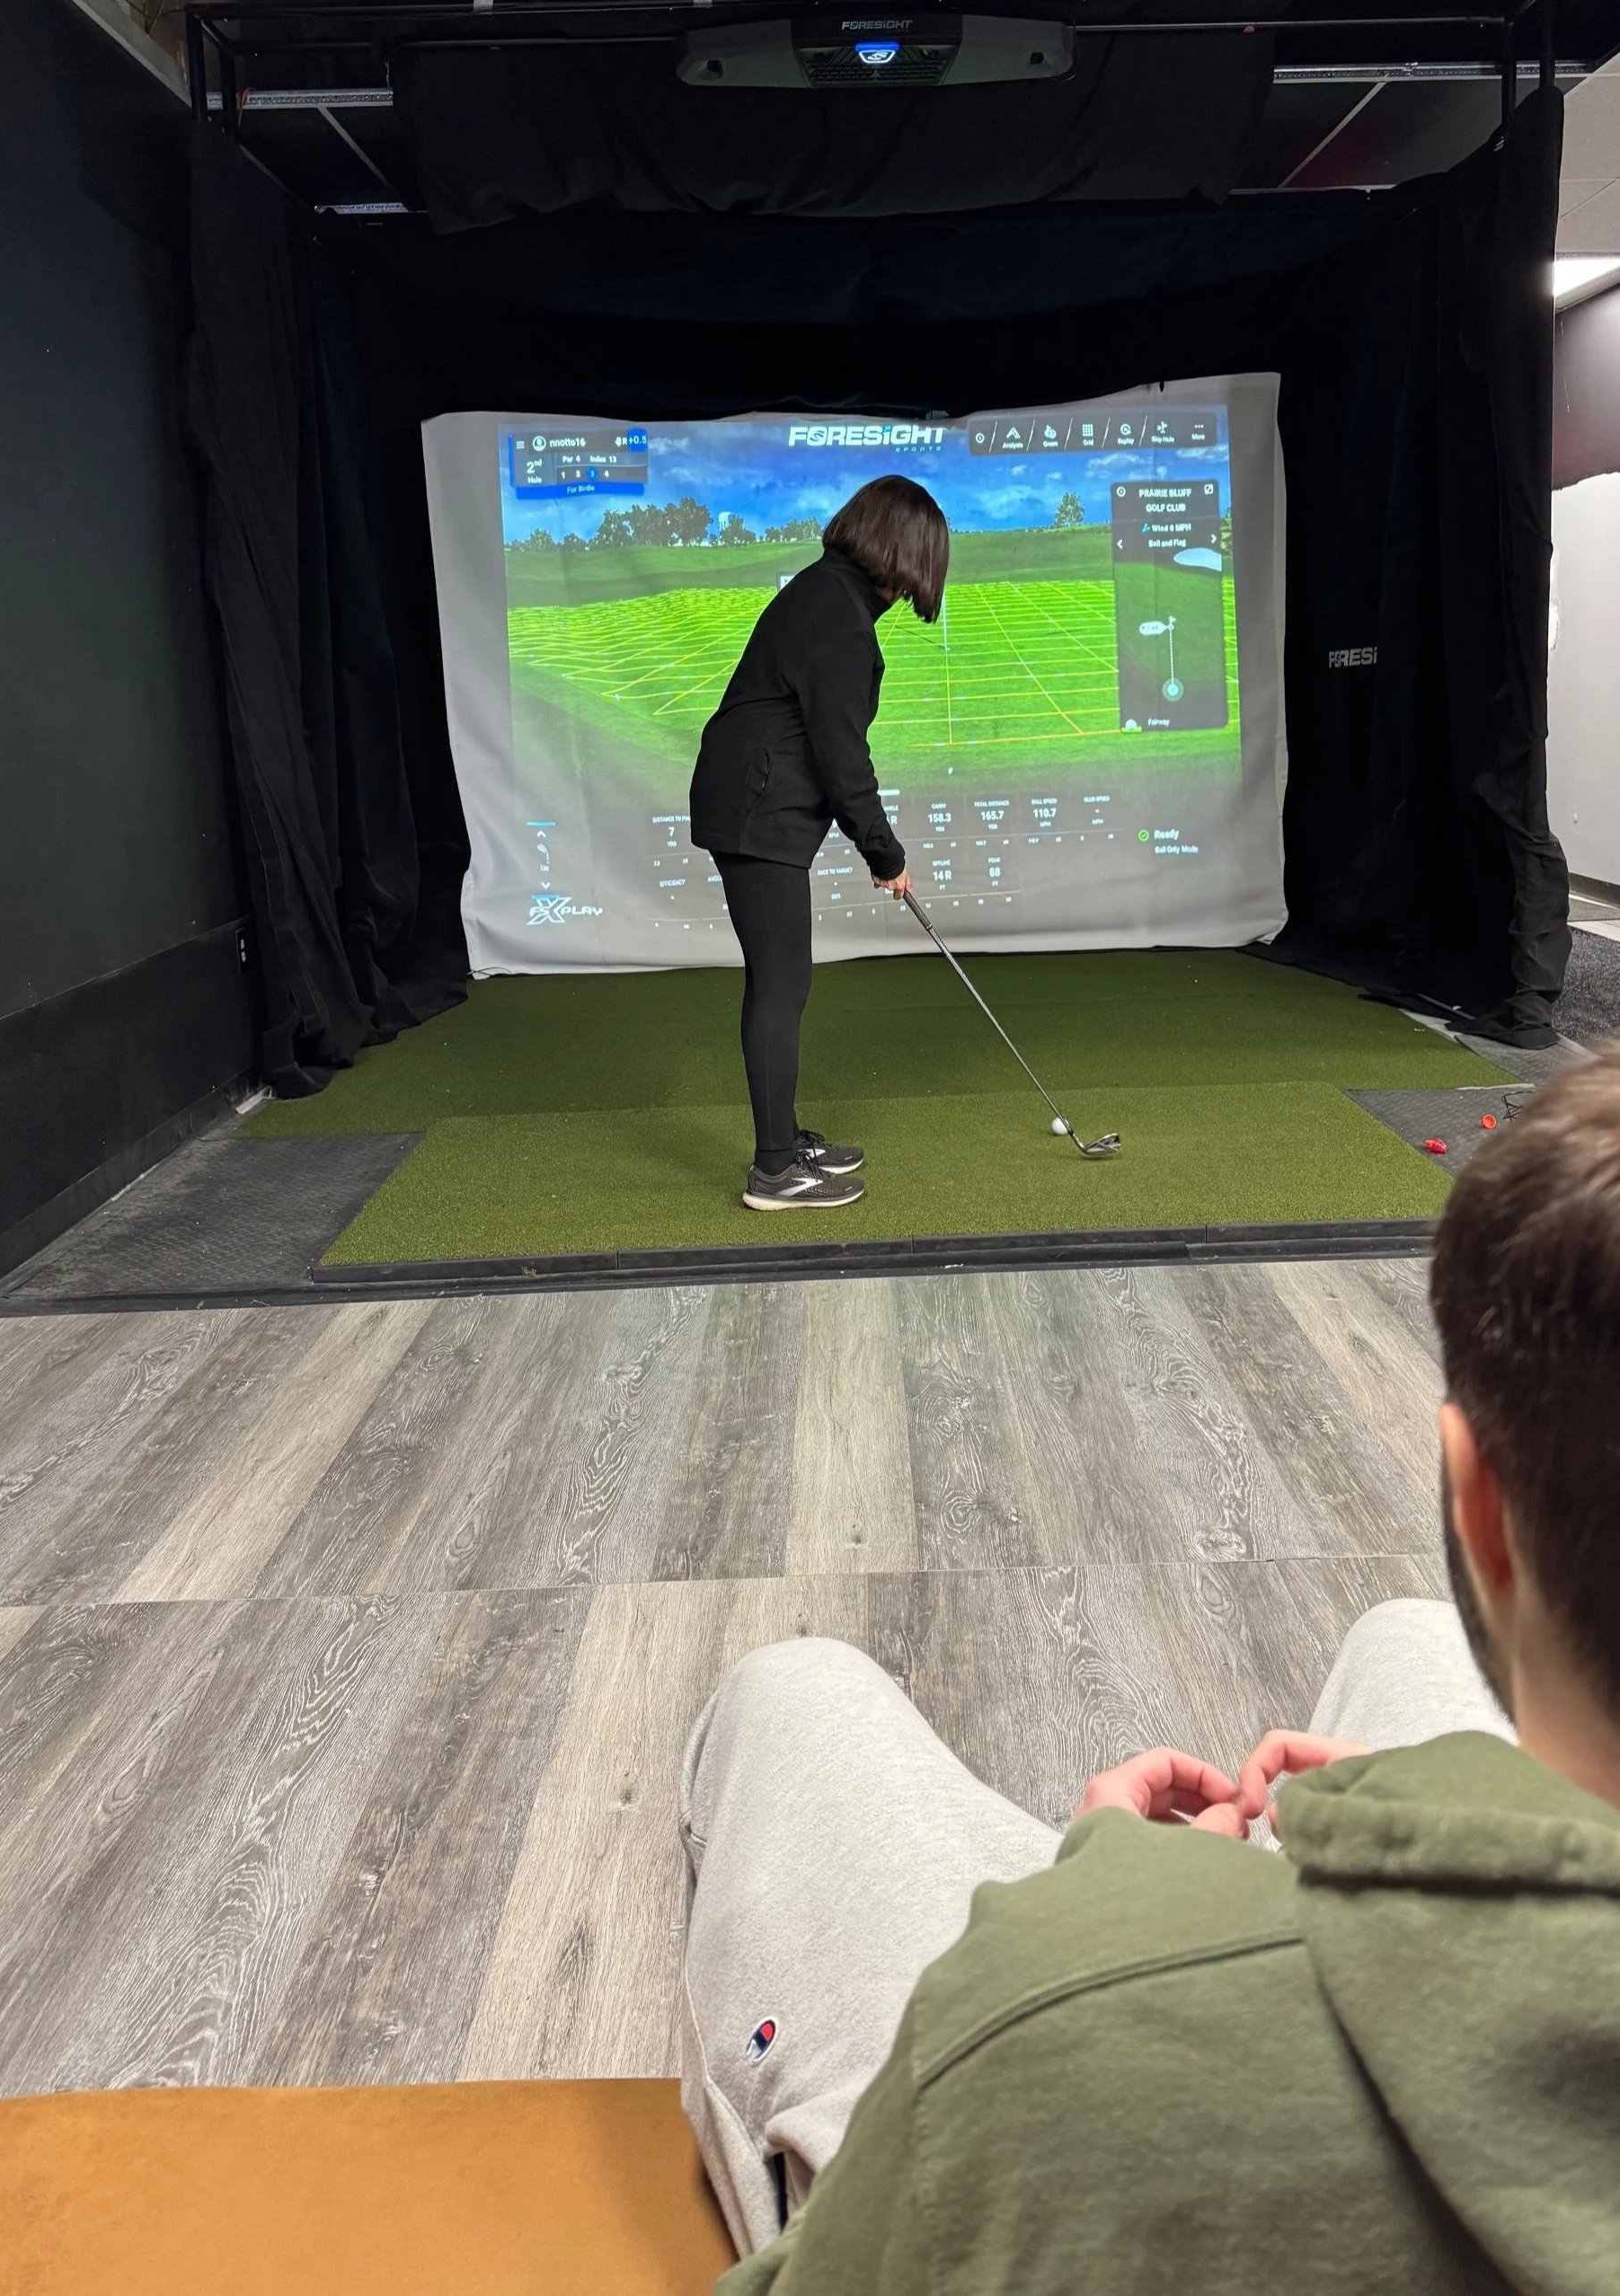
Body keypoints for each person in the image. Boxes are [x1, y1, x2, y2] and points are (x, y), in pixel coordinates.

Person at [678, 1042, 1620, 2292]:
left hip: (1068, 2090)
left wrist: (1111, 1925)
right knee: (1406, 1637)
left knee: (792, 1693)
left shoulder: (1055, 2013)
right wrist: (1445, 1827)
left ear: (1475, 1504)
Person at [689, 475, 950, 1212]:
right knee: (781, 983)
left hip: (755, 800)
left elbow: (826, 747)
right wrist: (885, 853)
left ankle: (784, 1135)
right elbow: (842, 756)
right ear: (902, 552)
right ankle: (773, 1170)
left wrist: (876, 847)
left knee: (784, 981)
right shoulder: (835, 613)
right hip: (755, 809)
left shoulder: (828, 594)